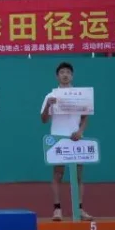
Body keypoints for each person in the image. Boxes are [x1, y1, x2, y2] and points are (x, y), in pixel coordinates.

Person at [40, 62, 91, 221]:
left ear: (72, 76)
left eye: (68, 72)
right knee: (58, 174)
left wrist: (80, 132)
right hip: (58, 140)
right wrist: (48, 105)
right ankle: (57, 209)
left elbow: (85, 117)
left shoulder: (81, 95)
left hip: (76, 139)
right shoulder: (50, 96)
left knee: (78, 176)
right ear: (57, 76)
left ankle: (79, 209)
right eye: (62, 72)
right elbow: (44, 119)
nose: (65, 75)